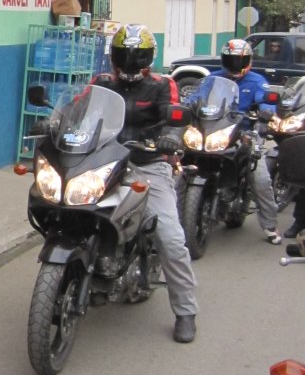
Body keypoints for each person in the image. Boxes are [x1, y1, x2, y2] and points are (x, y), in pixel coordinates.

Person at [92, 23, 200, 343]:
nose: (129, 62)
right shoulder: (101, 83)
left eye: (136, 56)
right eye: (124, 55)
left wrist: (170, 137)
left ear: (148, 59)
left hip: (147, 164)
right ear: (114, 57)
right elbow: (79, 107)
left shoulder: (163, 85)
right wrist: (54, 122)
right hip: (104, 164)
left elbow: (173, 115)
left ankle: (185, 310)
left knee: (170, 236)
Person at [189, 39, 281, 244]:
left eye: (239, 60)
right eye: (231, 60)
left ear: (247, 61)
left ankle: (270, 226)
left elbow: (266, 100)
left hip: (245, 132)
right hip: (214, 130)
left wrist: (267, 112)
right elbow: (196, 97)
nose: (235, 64)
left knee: (260, 179)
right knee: (180, 163)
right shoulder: (212, 79)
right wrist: (185, 106)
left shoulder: (257, 81)